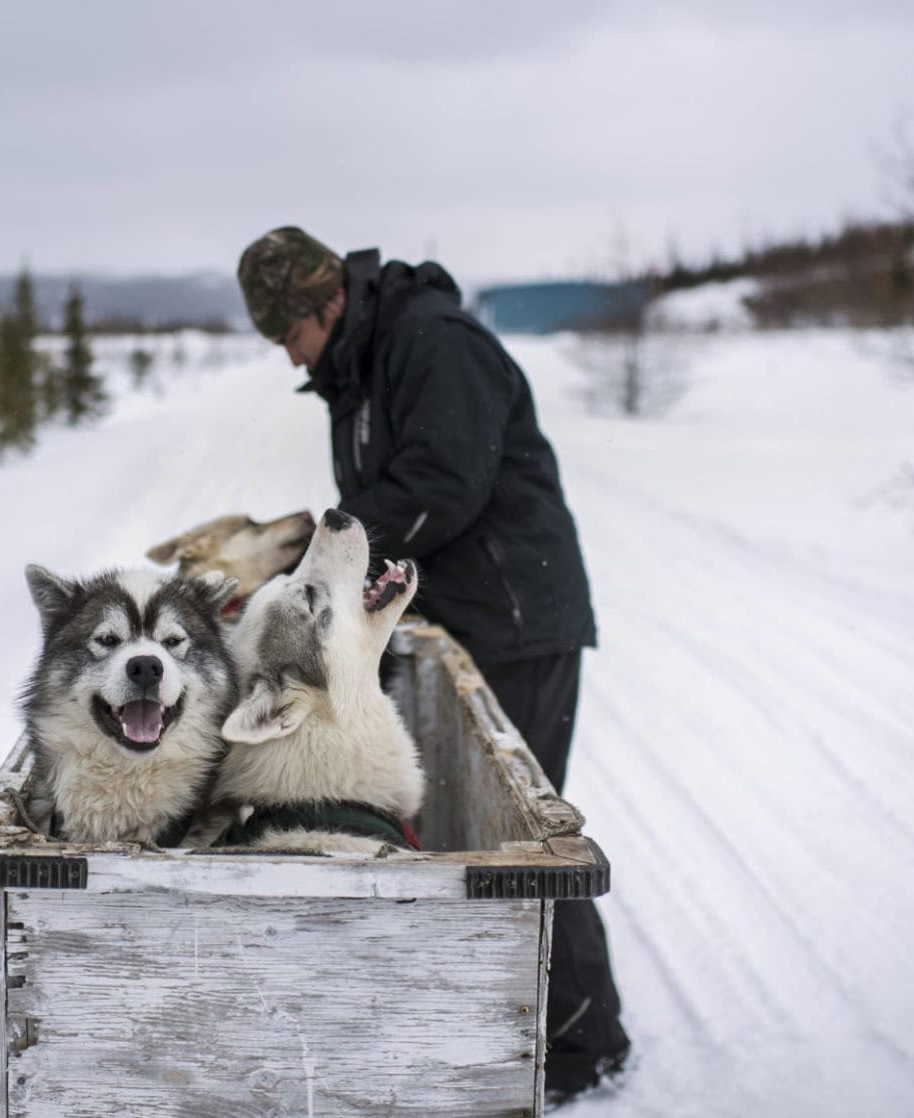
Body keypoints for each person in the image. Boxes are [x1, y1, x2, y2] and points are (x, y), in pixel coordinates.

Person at [237, 225, 630, 1100]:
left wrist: (322, 565)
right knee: (475, 832)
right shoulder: (360, 365)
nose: (288, 353)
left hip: (516, 616)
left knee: (520, 835)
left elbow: (441, 484)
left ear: (325, 303)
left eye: (288, 333)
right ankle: (507, 1006)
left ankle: (581, 1038)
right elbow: (386, 500)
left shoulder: (430, 341)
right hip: (463, 620)